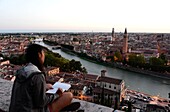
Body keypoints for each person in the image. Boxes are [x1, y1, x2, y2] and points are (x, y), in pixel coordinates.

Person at [9, 44, 75, 112]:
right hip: (31, 110)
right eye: (43, 53)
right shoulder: (37, 75)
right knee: (69, 96)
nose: (44, 56)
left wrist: (44, 86)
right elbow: (41, 102)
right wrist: (57, 95)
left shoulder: (22, 71)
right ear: (39, 55)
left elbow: (28, 88)